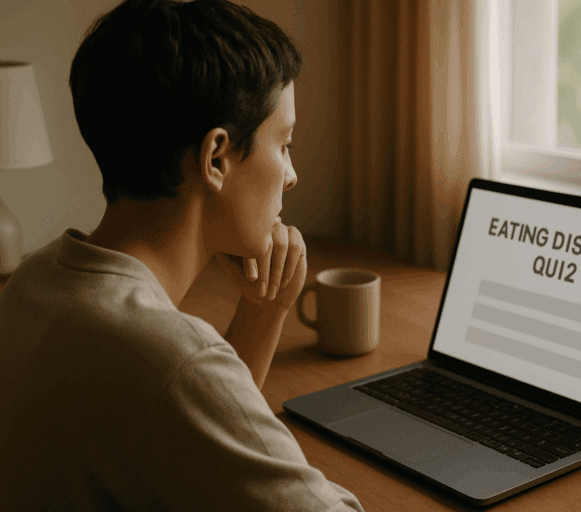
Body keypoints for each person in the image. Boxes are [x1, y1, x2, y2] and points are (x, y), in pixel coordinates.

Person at [0, 0, 364, 510]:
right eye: (284, 143)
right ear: (216, 158)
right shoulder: (173, 361)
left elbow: (200, 443)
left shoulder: (32, 285)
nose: (292, 173)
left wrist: (264, 312)